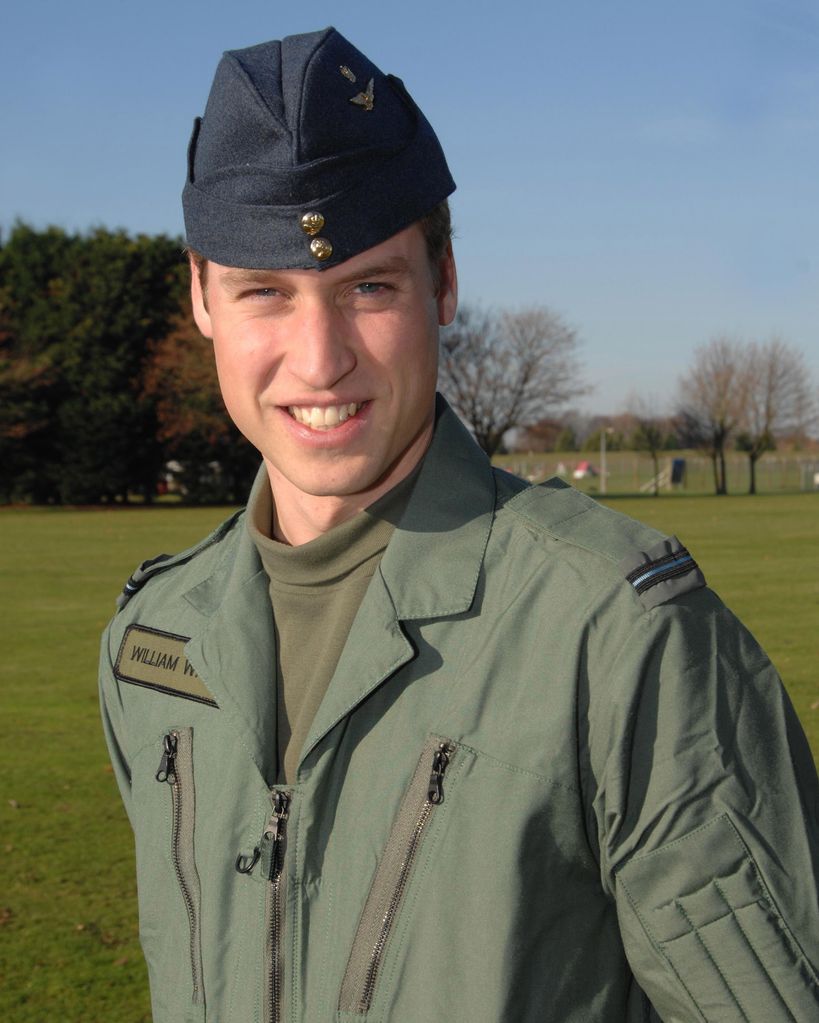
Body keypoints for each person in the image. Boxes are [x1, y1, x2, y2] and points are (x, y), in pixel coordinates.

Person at [99, 26, 819, 1023]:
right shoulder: (151, 644)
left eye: (369, 287)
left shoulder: (619, 635)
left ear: (443, 285)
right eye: (265, 291)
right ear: (201, 300)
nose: (318, 361)